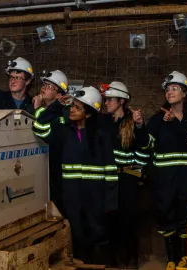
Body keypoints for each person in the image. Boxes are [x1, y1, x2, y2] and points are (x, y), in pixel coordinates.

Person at [33, 86, 118, 267]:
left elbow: (111, 170)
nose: (72, 110)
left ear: (88, 112)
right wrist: (56, 105)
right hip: (72, 196)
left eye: (78, 107)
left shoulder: (102, 134)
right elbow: (38, 126)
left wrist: (110, 201)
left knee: (98, 234)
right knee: (77, 235)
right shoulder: (63, 132)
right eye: (72, 106)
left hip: (96, 196)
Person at [145, 71, 187, 269]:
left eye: (175, 88)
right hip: (164, 180)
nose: (170, 92)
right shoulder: (157, 119)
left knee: (185, 220)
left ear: (185, 93)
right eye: (167, 89)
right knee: (166, 218)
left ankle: (185, 260)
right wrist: (138, 128)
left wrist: (175, 122)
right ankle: (171, 259)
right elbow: (145, 144)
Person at [101, 81, 150, 268]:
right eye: (106, 100)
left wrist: (135, 176)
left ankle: (131, 260)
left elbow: (144, 150)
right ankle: (113, 261)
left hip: (126, 180)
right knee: (109, 221)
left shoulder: (132, 123)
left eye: (110, 99)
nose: (107, 103)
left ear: (121, 100)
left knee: (127, 221)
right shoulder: (104, 123)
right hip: (108, 180)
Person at [31, 70, 68, 216]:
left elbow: (41, 130)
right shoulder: (34, 107)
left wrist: (37, 109)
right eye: (44, 84)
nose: (44, 88)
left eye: (50, 86)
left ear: (59, 96)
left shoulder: (63, 115)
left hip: (57, 171)